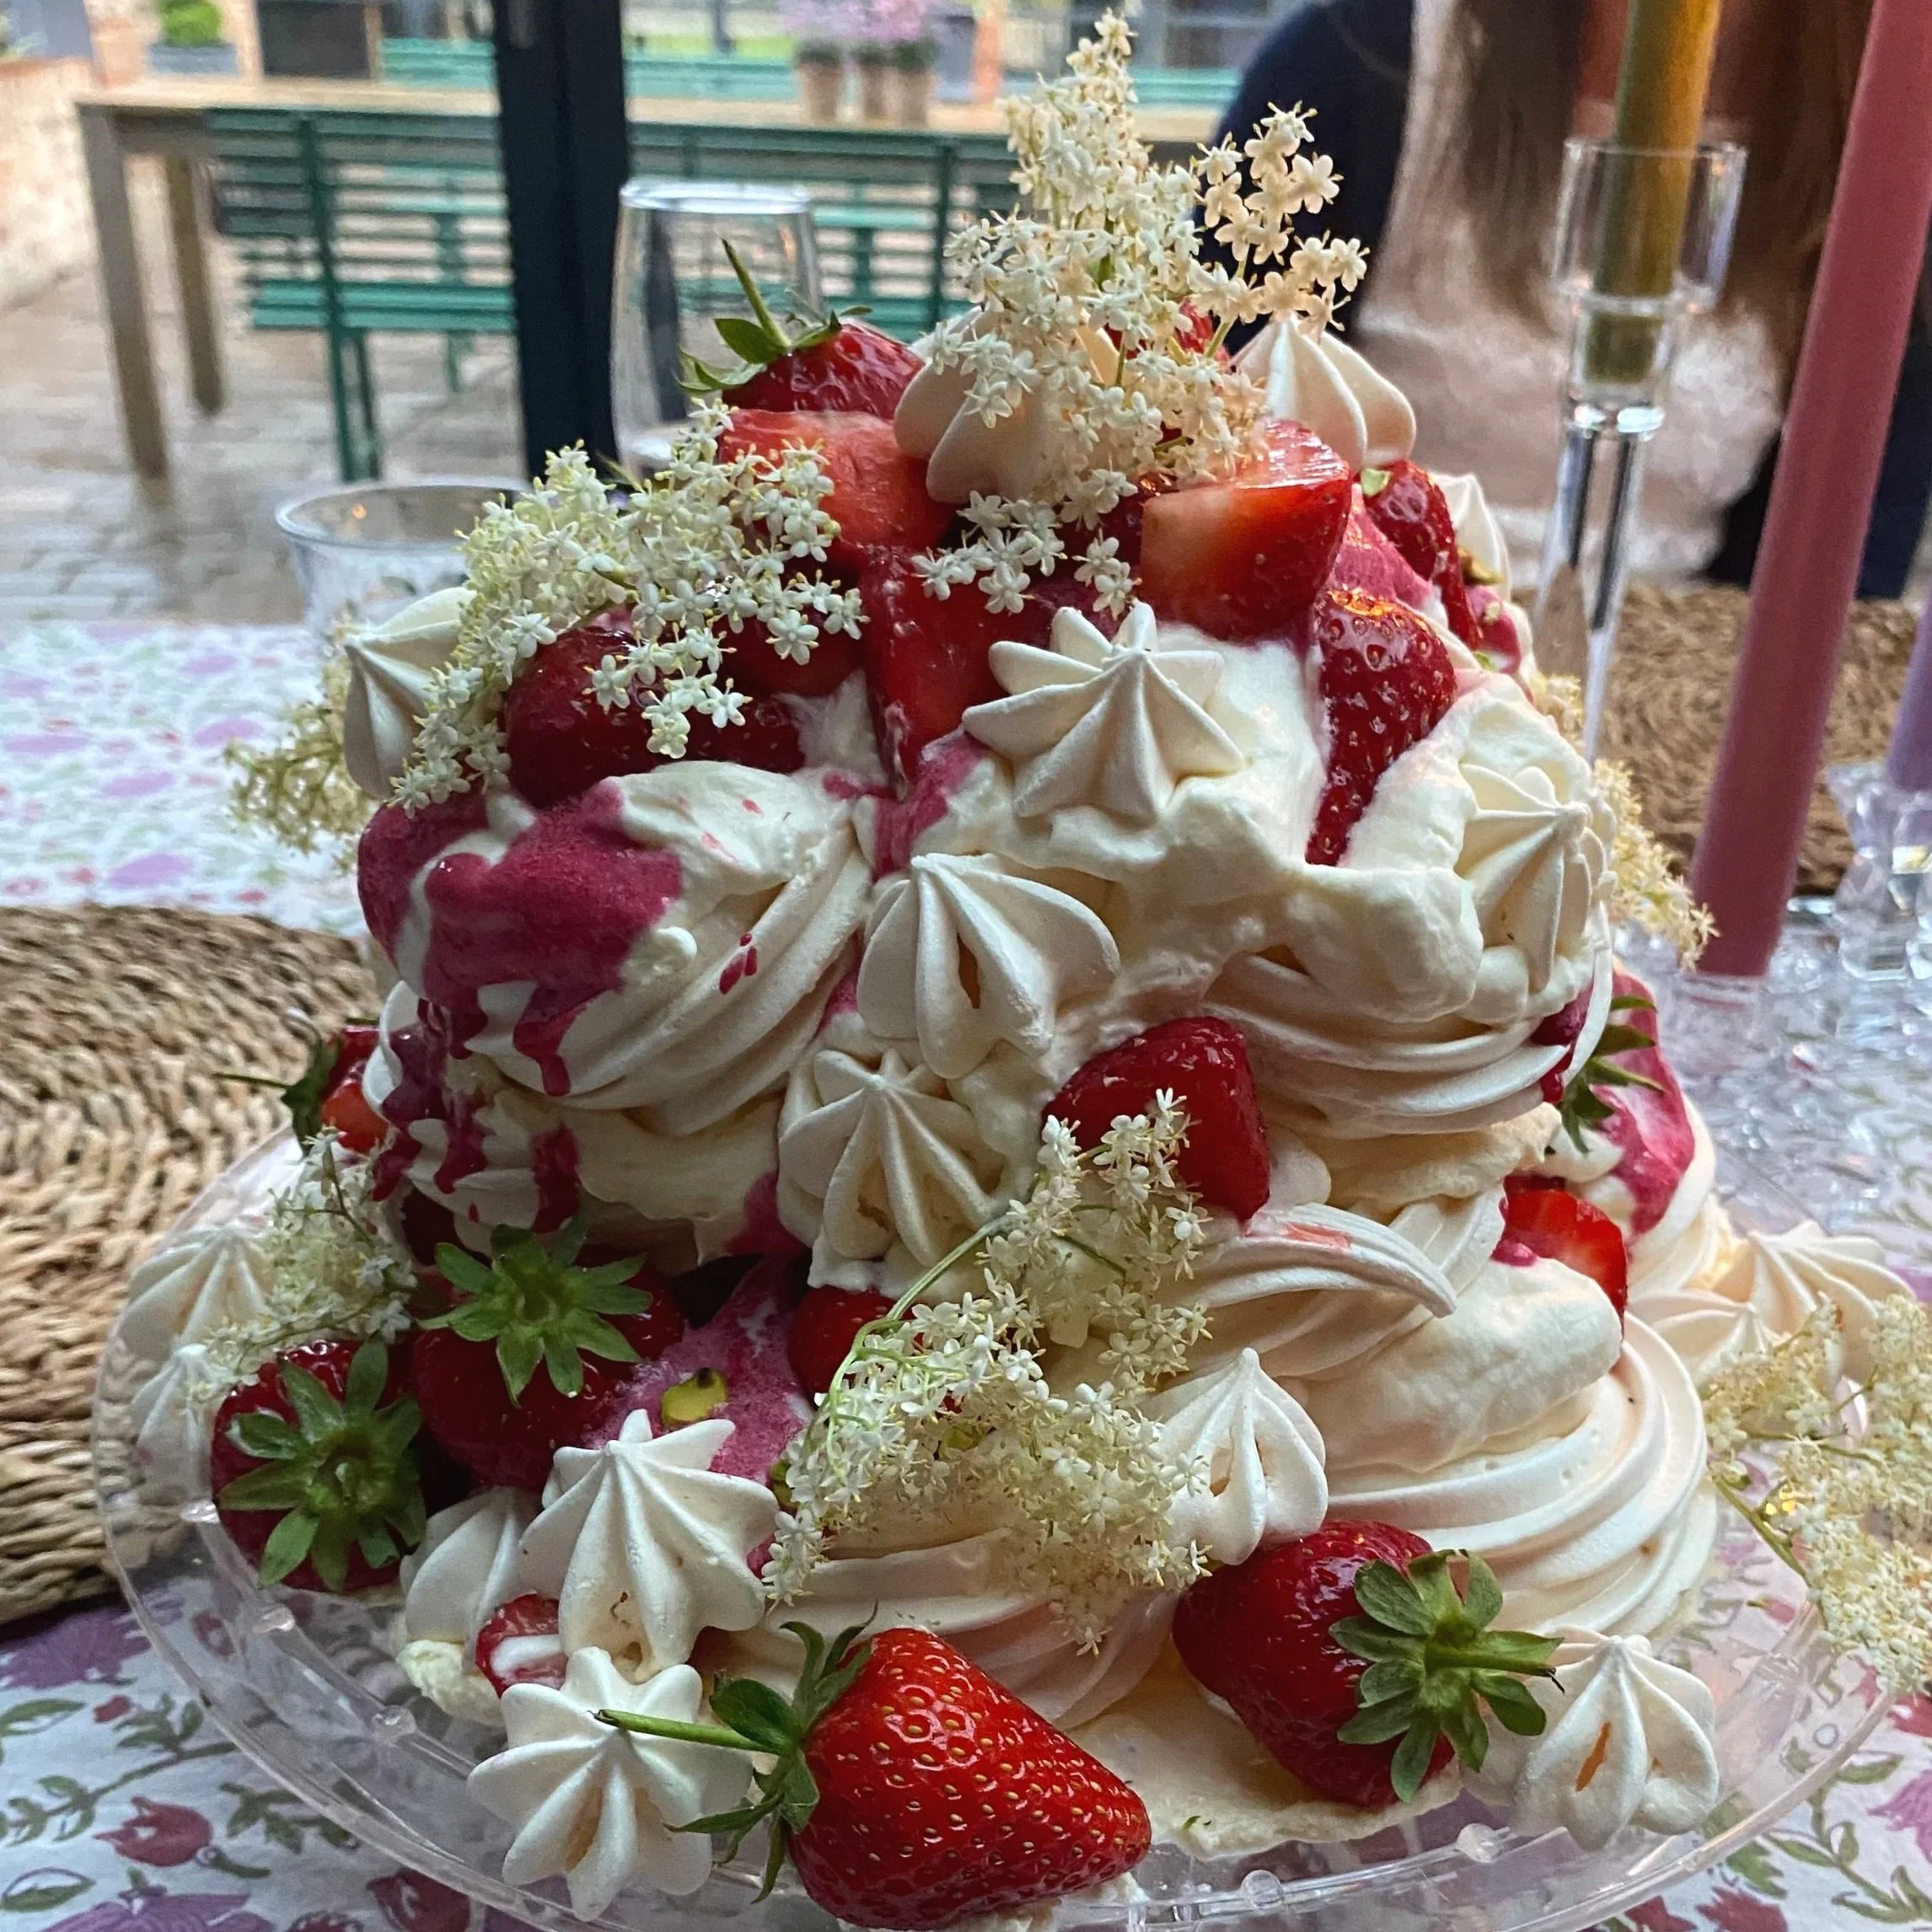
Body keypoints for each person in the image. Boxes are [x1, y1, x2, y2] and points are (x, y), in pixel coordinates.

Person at [1212, 0, 1932, 595]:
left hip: (1677, 697)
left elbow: (1846, 564)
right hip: (1355, 651)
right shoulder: (1356, 62)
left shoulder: (1879, 148)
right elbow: (1195, 419)